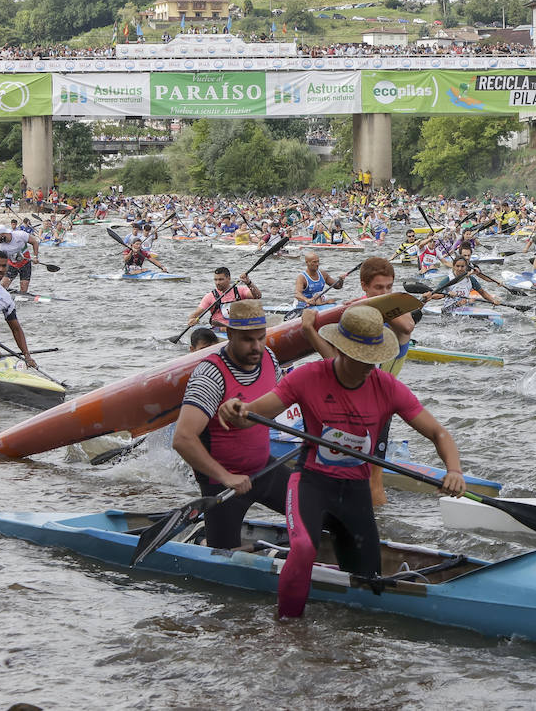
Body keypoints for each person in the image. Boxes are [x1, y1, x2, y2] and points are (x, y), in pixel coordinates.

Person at [217, 305, 466, 618]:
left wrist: (454, 471)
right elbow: (252, 415)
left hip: (355, 492)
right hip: (311, 484)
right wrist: (235, 409)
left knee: (370, 581)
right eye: (360, 357)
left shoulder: (386, 387)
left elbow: (438, 433)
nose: (368, 365)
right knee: (305, 548)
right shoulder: (307, 378)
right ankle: (288, 632)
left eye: (373, 357)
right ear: (341, 350)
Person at [172, 300, 292, 551]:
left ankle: (283, 549)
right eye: (248, 340)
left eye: (261, 337)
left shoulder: (269, 357)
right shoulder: (209, 375)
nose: (257, 346)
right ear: (229, 334)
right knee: (222, 554)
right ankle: (203, 541)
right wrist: (226, 477)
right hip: (223, 483)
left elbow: (280, 403)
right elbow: (183, 439)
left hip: (264, 468)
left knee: (319, 513)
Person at [297, 256, 417, 506]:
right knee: (340, 473)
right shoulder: (357, 318)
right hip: (348, 403)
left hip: (380, 405)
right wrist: (309, 331)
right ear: (364, 285)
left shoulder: (397, 312)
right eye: (378, 288)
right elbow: (335, 362)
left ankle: (378, 535)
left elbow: (407, 327)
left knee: (374, 478)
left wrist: (369, 301)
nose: (385, 293)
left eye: (388, 287)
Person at [186, 267, 260, 330]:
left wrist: (248, 283)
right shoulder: (210, 297)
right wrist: (192, 320)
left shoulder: (240, 291)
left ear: (229, 278)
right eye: (215, 280)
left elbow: (257, 296)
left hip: (239, 327)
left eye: (221, 279)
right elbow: (195, 315)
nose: (217, 282)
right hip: (220, 329)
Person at [289, 251, 345, 316]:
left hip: (318, 304)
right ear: (307, 263)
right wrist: (306, 300)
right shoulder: (302, 277)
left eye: (318, 261)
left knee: (337, 305)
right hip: (304, 306)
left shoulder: (323, 274)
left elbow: (338, 286)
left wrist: (341, 280)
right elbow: (297, 294)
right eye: (314, 262)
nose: (317, 264)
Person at [0, 223, 40, 294]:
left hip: (25, 264)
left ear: (4, 234)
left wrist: (35, 257)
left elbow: (35, 242)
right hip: (11, 265)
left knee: (23, 290)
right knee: (3, 286)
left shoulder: (20, 235)